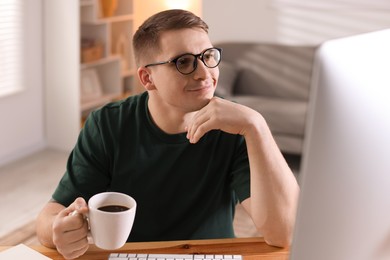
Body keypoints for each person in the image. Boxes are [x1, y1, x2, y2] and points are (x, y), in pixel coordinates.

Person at [36, 9, 299, 259]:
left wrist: (257, 125)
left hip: (210, 257)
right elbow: (51, 214)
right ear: (147, 78)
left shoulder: (237, 126)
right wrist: (57, 230)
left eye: (208, 56)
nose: (205, 74)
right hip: (132, 258)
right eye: (183, 62)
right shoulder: (107, 124)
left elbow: (284, 233)